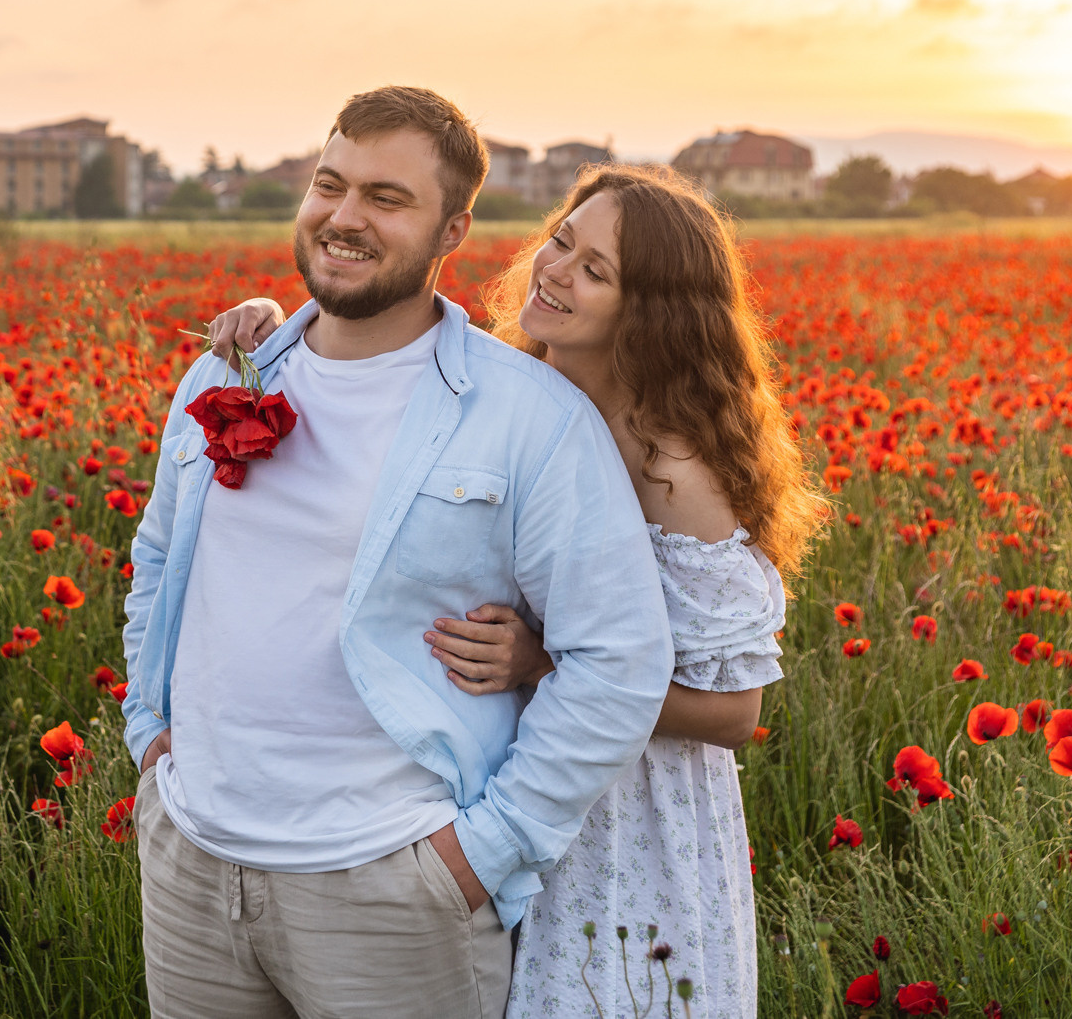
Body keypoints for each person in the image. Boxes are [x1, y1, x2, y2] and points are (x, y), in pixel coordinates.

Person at [206, 162, 824, 1018]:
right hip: (502, 778)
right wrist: (275, 329)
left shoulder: (669, 463)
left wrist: (542, 661)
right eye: (561, 242)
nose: (555, 270)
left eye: (594, 270)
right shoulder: (513, 390)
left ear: (651, 311)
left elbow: (736, 713)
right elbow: (378, 351)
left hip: (625, 822)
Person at [122, 86, 676, 1019]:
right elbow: (159, 560)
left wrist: (482, 853)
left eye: (386, 198)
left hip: (393, 887)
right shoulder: (225, 372)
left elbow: (620, 659)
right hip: (194, 862)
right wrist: (151, 740)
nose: (344, 217)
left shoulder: (525, 416)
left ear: (452, 228)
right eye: (329, 184)